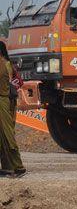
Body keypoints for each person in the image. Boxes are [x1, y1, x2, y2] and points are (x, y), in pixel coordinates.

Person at [0, 40, 25, 178]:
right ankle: (8, 167)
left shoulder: (4, 65)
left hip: (4, 101)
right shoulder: (7, 64)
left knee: (7, 135)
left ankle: (17, 166)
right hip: (7, 101)